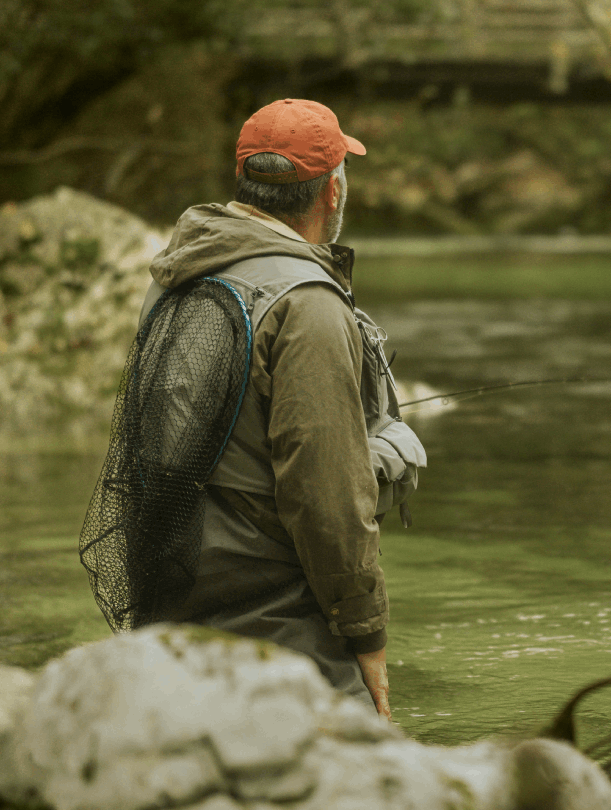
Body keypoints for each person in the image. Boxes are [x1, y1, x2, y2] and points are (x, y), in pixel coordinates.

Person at [132, 99, 425, 718]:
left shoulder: (175, 278)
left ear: (245, 180)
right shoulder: (309, 306)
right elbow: (325, 499)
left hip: (170, 609)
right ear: (332, 193)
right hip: (279, 628)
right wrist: (367, 637)